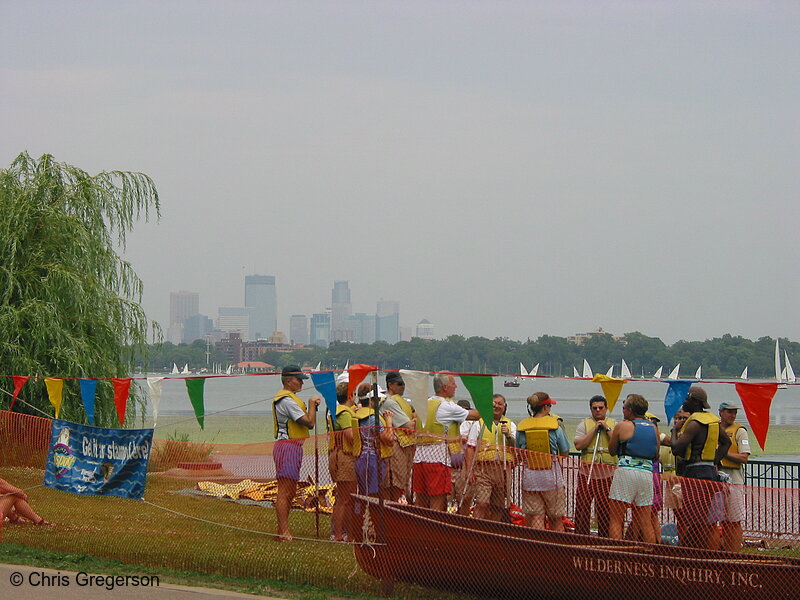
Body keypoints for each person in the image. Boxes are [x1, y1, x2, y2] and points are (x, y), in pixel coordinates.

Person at [670, 386, 731, 549]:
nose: (684, 401)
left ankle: (689, 549)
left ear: (695, 402)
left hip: (695, 473)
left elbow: (677, 449)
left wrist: (674, 432)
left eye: (687, 398)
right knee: (704, 517)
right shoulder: (713, 422)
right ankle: (700, 550)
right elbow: (726, 443)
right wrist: (713, 461)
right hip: (709, 472)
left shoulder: (695, 423)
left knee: (693, 518)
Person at [413, 373, 479, 511]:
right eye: (453, 383)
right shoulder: (446, 406)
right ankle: (435, 529)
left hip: (419, 458)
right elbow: (474, 415)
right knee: (438, 499)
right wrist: (487, 406)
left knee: (421, 498)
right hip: (438, 458)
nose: (456, 386)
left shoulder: (425, 403)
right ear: (444, 387)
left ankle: (419, 529)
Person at [272, 364, 321, 542]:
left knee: (290, 490)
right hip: (287, 446)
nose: (301, 382)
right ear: (288, 381)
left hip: (293, 447)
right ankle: (283, 531)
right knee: (285, 490)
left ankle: (281, 530)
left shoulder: (291, 398)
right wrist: (311, 405)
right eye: (298, 379)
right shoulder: (286, 400)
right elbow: (309, 422)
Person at [607, 394, 660, 543]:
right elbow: (656, 454)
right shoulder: (653, 428)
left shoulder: (622, 426)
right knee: (645, 520)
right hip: (647, 473)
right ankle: (649, 553)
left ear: (629, 410)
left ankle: (617, 554)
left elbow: (612, 450)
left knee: (616, 518)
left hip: (626, 470)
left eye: (624, 408)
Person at [516, 392, 570, 530]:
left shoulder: (522, 427)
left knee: (536, 516)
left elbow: (519, 452)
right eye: (549, 406)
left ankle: (537, 549)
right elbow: (564, 450)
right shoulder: (554, 426)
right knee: (556, 517)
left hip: (530, 476)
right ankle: (557, 548)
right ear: (545, 408)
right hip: (551, 475)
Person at [464, 394, 517, 521]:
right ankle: (477, 529)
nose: (497, 406)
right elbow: (470, 447)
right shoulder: (479, 424)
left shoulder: (511, 425)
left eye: (500, 404)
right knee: (482, 503)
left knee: (498, 506)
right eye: (494, 404)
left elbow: (517, 445)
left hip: (503, 470)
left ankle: (493, 531)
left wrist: (508, 435)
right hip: (483, 469)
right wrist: (469, 470)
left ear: (504, 407)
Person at [573, 395, 616, 537]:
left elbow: (619, 443)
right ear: (590, 409)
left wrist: (606, 428)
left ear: (606, 409)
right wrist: (594, 430)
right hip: (588, 473)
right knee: (583, 507)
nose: (598, 411)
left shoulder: (614, 424)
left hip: (607, 474)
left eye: (601, 408)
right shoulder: (583, 425)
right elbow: (578, 445)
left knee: (605, 509)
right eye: (595, 408)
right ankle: (581, 537)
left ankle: (605, 538)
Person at [718, 400, 751, 552]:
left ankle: (735, 550)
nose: (733, 415)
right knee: (721, 519)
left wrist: (724, 453)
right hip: (717, 478)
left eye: (735, 412)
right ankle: (724, 548)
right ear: (721, 412)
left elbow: (744, 457)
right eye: (729, 411)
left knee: (735, 519)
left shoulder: (740, 431)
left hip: (734, 479)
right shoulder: (714, 428)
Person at [328, 382, 358, 542]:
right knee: (345, 498)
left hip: (337, 454)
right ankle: (340, 534)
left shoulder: (338, 411)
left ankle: (340, 532)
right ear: (349, 396)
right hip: (345, 457)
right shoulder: (345, 414)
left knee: (343, 497)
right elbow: (351, 436)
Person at [380, 372, 417, 501]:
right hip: (395, 447)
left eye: (404, 384)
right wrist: (416, 419)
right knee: (394, 485)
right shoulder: (389, 402)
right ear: (390, 385)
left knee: (400, 484)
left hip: (405, 446)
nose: (403, 387)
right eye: (400, 384)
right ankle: (388, 514)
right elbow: (408, 426)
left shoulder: (401, 402)